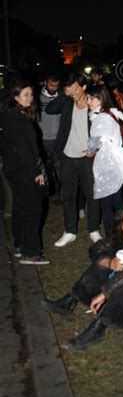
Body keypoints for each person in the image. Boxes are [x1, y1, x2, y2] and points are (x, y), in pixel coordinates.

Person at [42, 201, 123, 350]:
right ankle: (70, 301)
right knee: (102, 262)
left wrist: (105, 292)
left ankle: (99, 326)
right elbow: (96, 248)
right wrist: (108, 263)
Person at [46, 73, 102, 247]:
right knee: (68, 196)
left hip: (88, 158)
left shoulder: (94, 105)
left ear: (84, 87)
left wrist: (96, 148)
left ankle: (93, 229)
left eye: (77, 88)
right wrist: (65, 93)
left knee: (92, 195)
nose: (74, 92)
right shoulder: (67, 103)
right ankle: (70, 231)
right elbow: (50, 109)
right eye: (71, 89)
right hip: (68, 156)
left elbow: (105, 129)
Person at [0, 81, 49, 265]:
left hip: (14, 168)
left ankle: (21, 245)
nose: (30, 97)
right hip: (24, 170)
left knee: (21, 208)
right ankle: (31, 253)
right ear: (15, 97)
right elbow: (23, 149)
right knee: (32, 210)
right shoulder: (17, 118)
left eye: (31, 94)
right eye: (25, 94)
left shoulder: (10, 115)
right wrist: (36, 171)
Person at [86, 84, 123, 236]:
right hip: (114, 164)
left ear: (101, 99)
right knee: (116, 202)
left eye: (92, 98)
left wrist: (90, 150)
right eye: (88, 98)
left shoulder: (101, 118)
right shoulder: (110, 114)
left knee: (108, 204)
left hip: (107, 164)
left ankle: (114, 235)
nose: (88, 101)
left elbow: (97, 140)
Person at [37, 74, 62, 203]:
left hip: (57, 139)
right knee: (46, 169)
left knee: (58, 169)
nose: (54, 88)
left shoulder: (61, 98)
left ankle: (55, 196)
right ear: (45, 83)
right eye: (52, 85)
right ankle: (44, 195)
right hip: (43, 140)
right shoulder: (38, 98)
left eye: (57, 85)